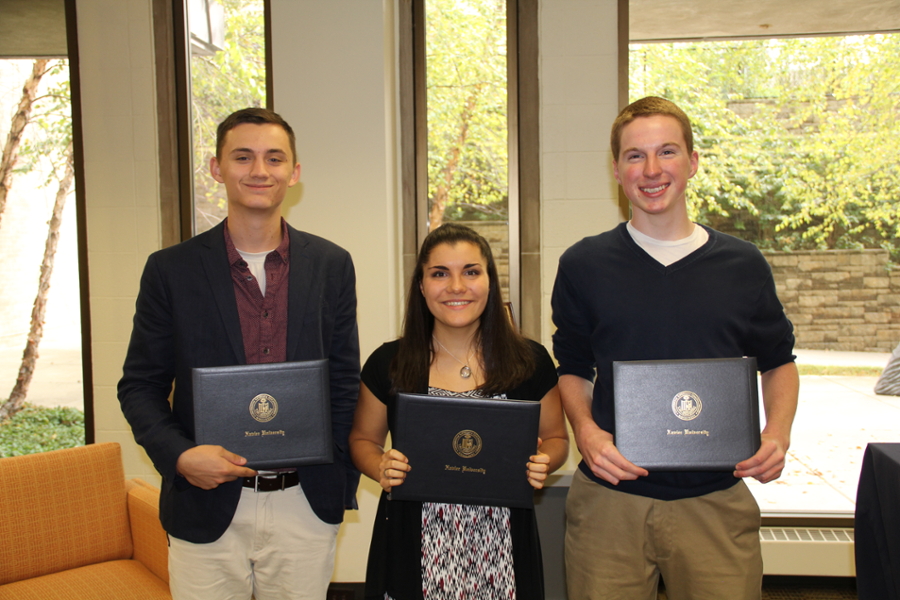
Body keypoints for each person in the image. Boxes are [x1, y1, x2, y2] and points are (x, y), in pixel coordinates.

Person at [551, 96, 799, 600]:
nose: (651, 169)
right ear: (617, 170)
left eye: (667, 151)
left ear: (692, 162)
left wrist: (777, 433)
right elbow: (572, 368)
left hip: (716, 500)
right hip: (610, 504)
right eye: (635, 156)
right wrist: (587, 432)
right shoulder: (583, 264)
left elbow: (778, 362)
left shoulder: (743, 264)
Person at [118, 107, 360, 600]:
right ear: (216, 168)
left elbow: (343, 380)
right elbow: (139, 386)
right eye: (243, 157)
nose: (259, 170)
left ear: (293, 174)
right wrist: (181, 456)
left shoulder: (332, 265)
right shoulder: (170, 270)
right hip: (206, 502)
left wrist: (336, 475)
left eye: (274, 158)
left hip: (304, 503)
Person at [349, 223, 569, 600]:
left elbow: (557, 438)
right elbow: (362, 439)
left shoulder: (528, 360)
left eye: (471, 271)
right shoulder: (391, 361)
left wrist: (544, 461)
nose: (456, 287)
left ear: (489, 281)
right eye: (439, 274)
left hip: (503, 551)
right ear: (421, 285)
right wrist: (379, 466)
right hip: (412, 545)